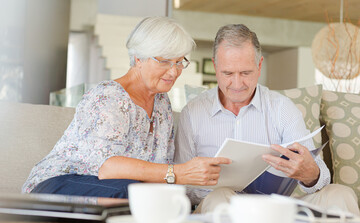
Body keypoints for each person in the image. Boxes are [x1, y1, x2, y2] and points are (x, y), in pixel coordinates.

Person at [22, 16, 230, 198]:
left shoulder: (161, 103)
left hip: (116, 187)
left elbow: (155, 171)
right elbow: (107, 167)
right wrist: (177, 173)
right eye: (164, 61)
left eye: (179, 62)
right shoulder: (108, 97)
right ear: (138, 58)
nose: (174, 72)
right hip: (57, 183)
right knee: (131, 193)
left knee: (163, 196)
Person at [174, 24, 359, 215]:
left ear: (259, 65)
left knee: (340, 194)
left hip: (275, 207)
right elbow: (181, 186)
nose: (237, 84)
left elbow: (319, 175)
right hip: (220, 206)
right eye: (228, 73)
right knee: (220, 197)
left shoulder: (282, 108)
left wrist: (310, 173)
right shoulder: (193, 112)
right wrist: (205, 181)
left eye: (246, 73)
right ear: (215, 66)